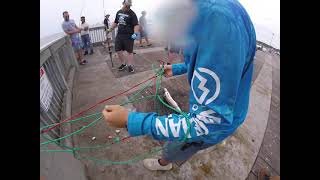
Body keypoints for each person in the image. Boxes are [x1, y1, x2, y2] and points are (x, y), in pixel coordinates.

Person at [102, 0, 256, 171]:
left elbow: (206, 123)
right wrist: (176, 68)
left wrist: (131, 120)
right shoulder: (203, 12)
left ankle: (164, 163)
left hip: (218, 119)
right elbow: (201, 59)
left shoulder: (219, 24)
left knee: (179, 143)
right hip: (219, 108)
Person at [106, 0, 140, 73]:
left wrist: (135, 33)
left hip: (129, 35)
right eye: (126, 5)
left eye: (129, 6)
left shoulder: (132, 13)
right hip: (119, 34)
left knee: (129, 51)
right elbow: (116, 22)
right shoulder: (118, 12)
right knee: (118, 49)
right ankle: (123, 63)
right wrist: (110, 29)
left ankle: (129, 65)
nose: (127, 7)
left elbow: (136, 25)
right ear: (123, 4)